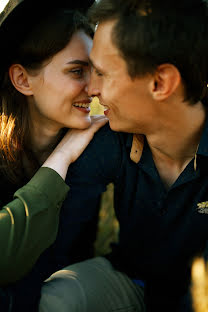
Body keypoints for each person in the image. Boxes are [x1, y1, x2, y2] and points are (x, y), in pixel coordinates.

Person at [39, 0, 208, 311]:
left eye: (102, 73)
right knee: (58, 297)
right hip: (130, 280)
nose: (90, 88)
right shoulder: (112, 138)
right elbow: (60, 244)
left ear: (160, 83)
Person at [0, 0, 108, 310]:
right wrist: (61, 157)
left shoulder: (92, 156)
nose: (96, 87)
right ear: (23, 79)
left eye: (97, 72)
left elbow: (75, 264)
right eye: (78, 71)